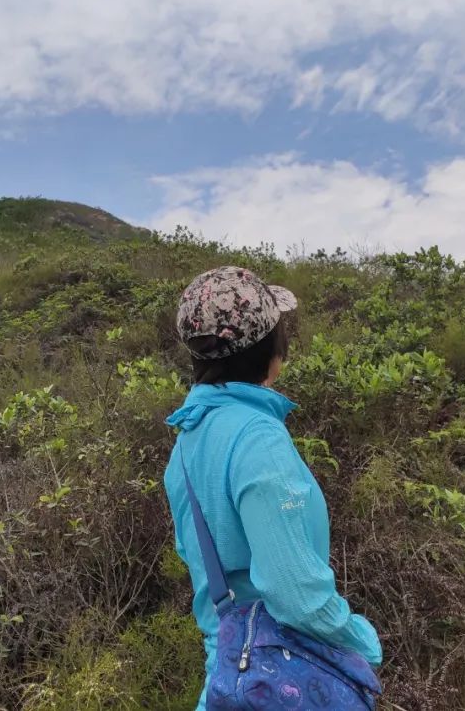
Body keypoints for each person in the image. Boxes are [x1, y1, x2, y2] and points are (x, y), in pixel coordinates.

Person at [163, 265, 382, 710]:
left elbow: (199, 564)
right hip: (283, 684)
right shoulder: (257, 438)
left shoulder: (185, 445)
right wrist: (362, 640)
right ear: (270, 349)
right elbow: (295, 594)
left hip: (226, 684)